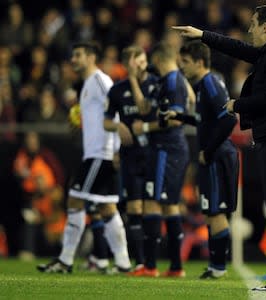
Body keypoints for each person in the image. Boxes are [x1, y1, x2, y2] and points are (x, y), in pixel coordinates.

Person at [173, 4, 266, 292]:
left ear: (265, 28)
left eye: (253, 24)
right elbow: (238, 48)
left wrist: (238, 104)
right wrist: (202, 35)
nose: (249, 30)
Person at [37, 42, 131, 273]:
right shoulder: (86, 85)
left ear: (91, 57)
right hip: (97, 153)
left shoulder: (100, 81)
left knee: (75, 200)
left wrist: (117, 149)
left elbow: (116, 111)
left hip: (101, 153)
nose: (73, 60)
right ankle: (123, 263)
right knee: (107, 208)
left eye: (77, 55)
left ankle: (65, 260)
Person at [178, 40, 238, 279]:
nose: (183, 67)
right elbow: (208, 121)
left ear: (199, 62)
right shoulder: (205, 84)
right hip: (215, 155)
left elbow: (228, 120)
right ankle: (216, 266)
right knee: (212, 212)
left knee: (216, 212)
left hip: (217, 155)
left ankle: (219, 267)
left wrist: (209, 151)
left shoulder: (210, 83)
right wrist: (182, 117)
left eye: (186, 62)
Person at [130, 41, 190, 278]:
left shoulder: (174, 82)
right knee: (169, 206)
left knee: (153, 204)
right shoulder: (164, 82)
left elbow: (176, 119)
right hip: (167, 149)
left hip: (168, 148)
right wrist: (134, 79)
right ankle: (175, 267)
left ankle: (151, 266)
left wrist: (144, 127)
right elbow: (146, 107)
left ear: (158, 60)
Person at [103, 45, 162, 277]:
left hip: (152, 154)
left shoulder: (155, 84)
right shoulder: (117, 90)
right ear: (128, 64)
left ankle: (151, 262)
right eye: (136, 62)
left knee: (151, 208)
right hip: (129, 156)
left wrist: (134, 81)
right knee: (133, 208)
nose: (141, 66)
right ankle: (140, 263)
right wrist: (117, 125)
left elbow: (144, 109)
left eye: (143, 61)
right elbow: (105, 121)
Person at [13, 131, 65, 260]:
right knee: (29, 221)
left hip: (55, 225)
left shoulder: (54, 195)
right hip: (37, 210)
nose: (31, 143)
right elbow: (19, 176)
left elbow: (56, 216)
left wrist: (43, 220)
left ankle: (67, 255)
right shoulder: (22, 157)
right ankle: (27, 251)